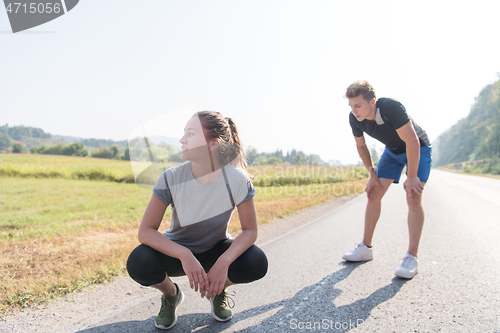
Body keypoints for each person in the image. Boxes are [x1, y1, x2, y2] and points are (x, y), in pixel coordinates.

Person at [127, 111, 268, 329]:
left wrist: (224, 262)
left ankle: (217, 289)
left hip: (215, 250)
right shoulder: (171, 177)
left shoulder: (237, 180)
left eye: (191, 134)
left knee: (256, 261)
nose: (182, 140)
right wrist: (184, 254)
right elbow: (145, 231)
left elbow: (250, 231)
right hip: (177, 253)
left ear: (213, 144)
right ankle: (171, 295)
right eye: (184, 133)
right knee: (139, 261)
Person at [342, 80, 431, 279]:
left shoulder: (391, 107)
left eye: (358, 105)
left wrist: (413, 176)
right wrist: (372, 175)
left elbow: (412, 141)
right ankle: (365, 248)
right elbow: (362, 146)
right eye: (351, 106)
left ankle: (411, 258)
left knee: (413, 196)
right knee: (373, 193)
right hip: (392, 152)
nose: (354, 111)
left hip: (418, 148)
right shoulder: (355, 119)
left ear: (372, 102)